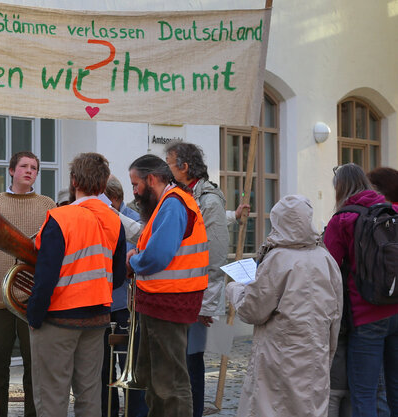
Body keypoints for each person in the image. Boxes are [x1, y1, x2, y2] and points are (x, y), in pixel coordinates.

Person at [27, 152, 125, 417]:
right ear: (104, 185)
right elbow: (117, 274)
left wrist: (34, 317)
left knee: (52, 397)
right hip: (97, 319)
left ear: (73, 181)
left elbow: (45, 277)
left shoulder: (60, 217)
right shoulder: (114, 219)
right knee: (90, 394)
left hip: (58, 319)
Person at [227, 195, 343, 416]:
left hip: (278, 356)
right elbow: (335, 315)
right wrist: (327, 353)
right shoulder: (325, 259)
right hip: (314, 354)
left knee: (273, 407)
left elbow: (253, 310)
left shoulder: (278, 259)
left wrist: (235, 290)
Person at [0, 151, 56, 417]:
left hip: (32, 297)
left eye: (34, 168)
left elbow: (53, 250)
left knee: (35, 367)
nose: (29, 171)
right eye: (23, 166)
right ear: (11, 170)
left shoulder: (47, 204)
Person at [126, 154, 208, 416]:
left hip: (169, 301)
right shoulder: (170, 202)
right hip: (163, 300)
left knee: (169, 381)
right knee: (158, 379)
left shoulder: (173, 204)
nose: (135, 192)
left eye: (136, 184)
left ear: (152, 179)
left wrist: (134, 260)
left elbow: (159, 255)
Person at [323, 163, 398, 417]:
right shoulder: (393, 210)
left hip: (366, 315)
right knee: (394, 389)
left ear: (339, 189)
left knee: (364, 394)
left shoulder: (342, 219)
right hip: (397, 309)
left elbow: (328, 270)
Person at [164, 141, 228, 417]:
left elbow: (214, 255)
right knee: (177, 360)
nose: (167, 169)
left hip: (196, 294)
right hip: (176, 290)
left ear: (185, 167)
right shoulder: (176, 194)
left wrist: (205, 304)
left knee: (192, 360)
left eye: (169, 163)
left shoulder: (209, 200)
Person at [101, 175, 147, 417]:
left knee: (130, 370)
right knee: (103, 371)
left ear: (116, 199)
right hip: (101, 303)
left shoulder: (134, 220)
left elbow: (130, 262)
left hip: (124, 305)